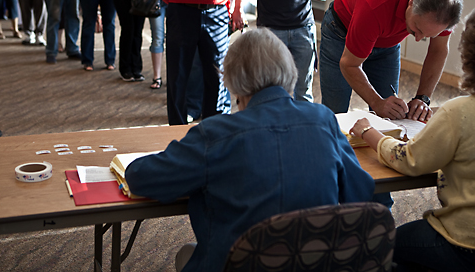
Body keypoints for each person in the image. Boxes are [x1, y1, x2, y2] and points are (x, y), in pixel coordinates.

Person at [125, 27, 375, 272]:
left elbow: (141, 177)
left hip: (236, 262)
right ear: (290, 71)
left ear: (233, 81)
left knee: (187, 254)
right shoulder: (323, 119)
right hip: (316, 262)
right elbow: (365, 195)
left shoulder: (215, 133)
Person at [350, 3, 475, 272]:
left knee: (379, 245)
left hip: (469, 244)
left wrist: (368, 132)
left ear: (471, 56)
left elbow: (409, 161)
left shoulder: (461, 111)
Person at [319, 0, 463, 121]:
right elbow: (349, 64)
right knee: (336, 114)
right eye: (417, 29)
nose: (417, 38)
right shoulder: (375, 2)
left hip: (387, 42)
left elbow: (438, 50)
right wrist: (376, 102)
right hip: (341, 32)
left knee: (391, 113)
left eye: (428, 35)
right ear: (412, 2)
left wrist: (422, 98)